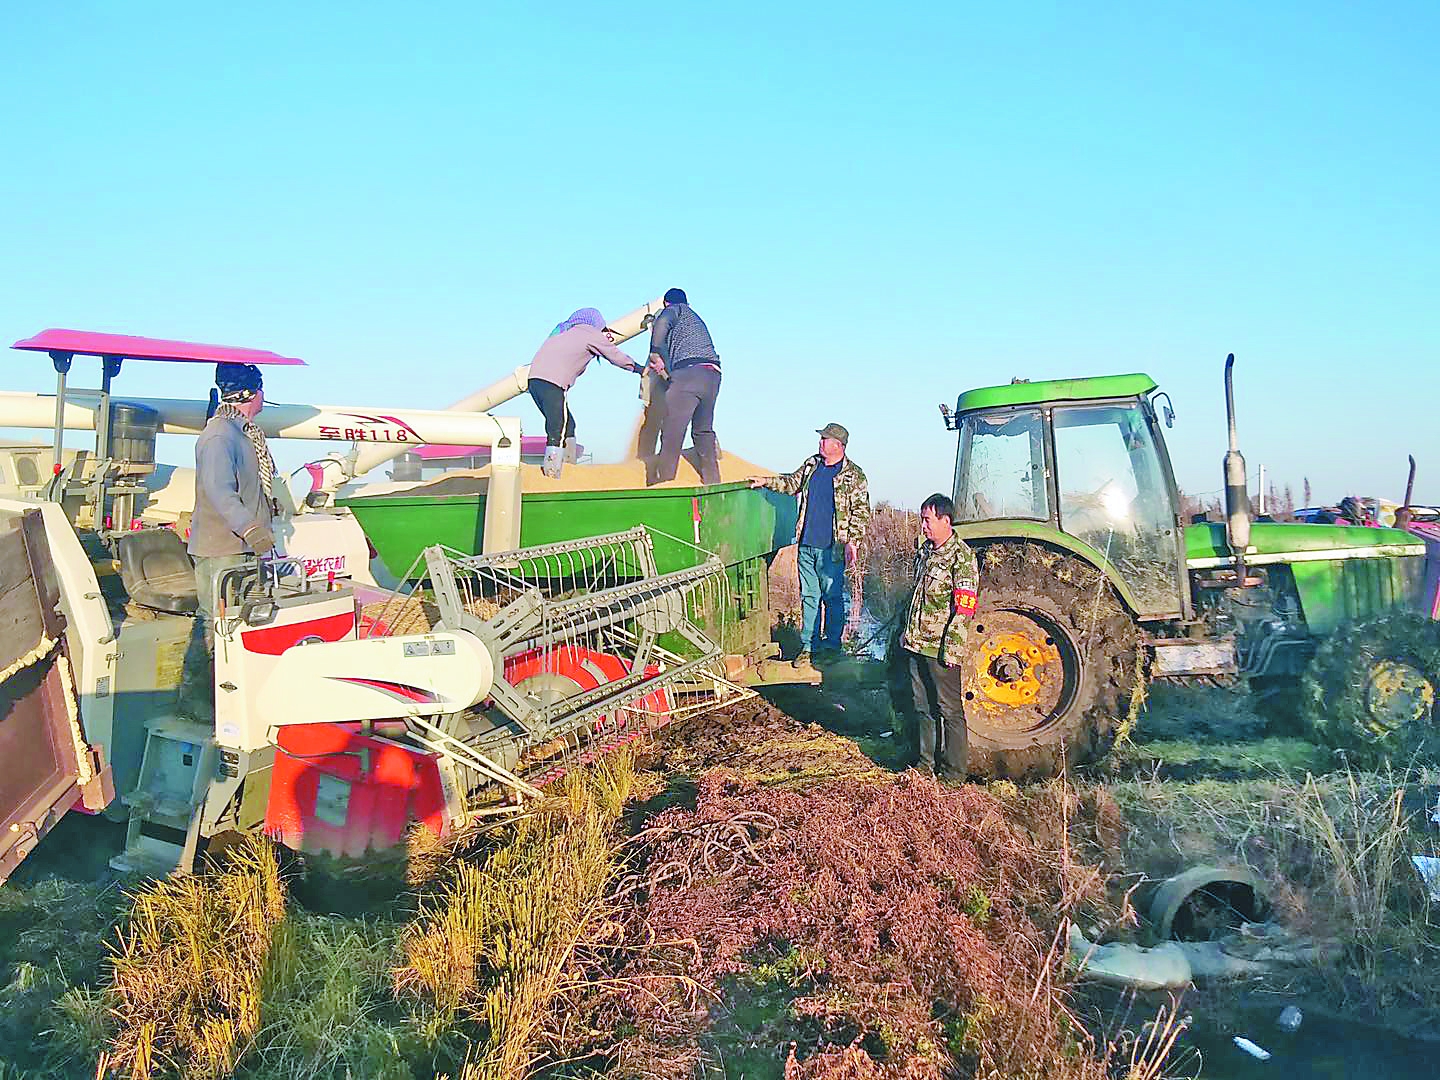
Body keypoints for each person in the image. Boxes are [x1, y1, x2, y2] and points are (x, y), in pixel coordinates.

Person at [179, 362, 278, 722]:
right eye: (262, 388)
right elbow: (220, 493)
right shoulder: (220, 436)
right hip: (222, 547)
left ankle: (230, 695)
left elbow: (247, 487)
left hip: (243, 547)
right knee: (212, 622)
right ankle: (194, 701)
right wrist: (252, 529)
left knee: (241, 621)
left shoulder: (245, 434)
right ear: (252, 394)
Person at [749, 423, 870, 667]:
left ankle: (832, 646)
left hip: (832, 548)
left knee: (832, 597)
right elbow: (791, 484)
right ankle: (808, 646)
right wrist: (765, 481)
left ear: (838, 445)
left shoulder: (854, 476)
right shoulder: (811, 465)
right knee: (809, 597)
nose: (820, 443)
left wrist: (852, 543)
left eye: (825, 439)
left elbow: (862, 512)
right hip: (806, 543)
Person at [899, 493, 978, 777]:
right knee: (923, 709)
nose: (923, 526)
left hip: (940, 649)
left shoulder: (962, 558)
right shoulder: (925, 552)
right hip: (916, 644)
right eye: (922, 520)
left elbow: (964, 609)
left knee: (950, 711)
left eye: (927, 520)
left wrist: (952, 651)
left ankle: (954, 774)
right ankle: (925, 766)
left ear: (946, 521)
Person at [528, 308, 645, 478]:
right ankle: (553, 473)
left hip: (534, 381)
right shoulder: (589, 333)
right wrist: (638, 369)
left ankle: (568, 468)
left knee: (569, 425)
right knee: (557, 427)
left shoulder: (563, 332)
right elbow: (614, 355)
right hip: (552, 383)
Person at [647, 288, 722, 486]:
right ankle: (713, 483)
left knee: (672, 431)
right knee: (703, 430)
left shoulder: (674, 310)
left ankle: (665, 484)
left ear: (666, 303)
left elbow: (662, 323)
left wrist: (654, 352)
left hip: (690, 372)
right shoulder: (695, 319)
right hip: (713, 374)